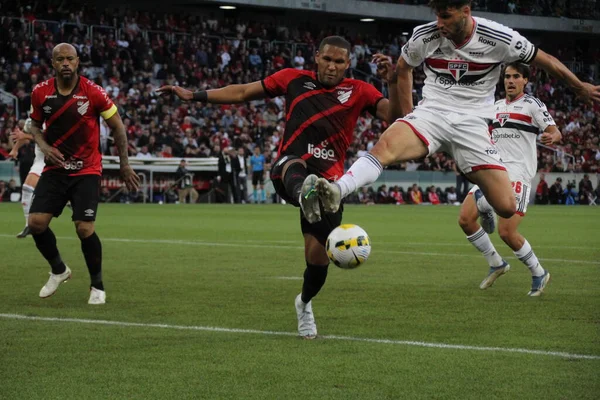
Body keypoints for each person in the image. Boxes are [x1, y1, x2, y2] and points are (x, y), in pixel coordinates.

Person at [157, 35, 391, 339]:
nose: (332, 66)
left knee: (318, 262)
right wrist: (194, 95)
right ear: (317, 57)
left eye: (339, 62)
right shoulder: (293, 79)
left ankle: (304, 303)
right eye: (327, 59)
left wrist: (395, 79)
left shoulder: (360, 91)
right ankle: (303, 192)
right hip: (291, 168)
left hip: (331, 188)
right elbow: (242, 92)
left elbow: (397, 114)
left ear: (348, 64)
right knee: (293, 166)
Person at [315, 0, 600, 231]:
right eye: (438, 16)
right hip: (433, 113)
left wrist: (579, 87)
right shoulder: (424, 36)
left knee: (506, 206)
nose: (440, 23)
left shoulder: (498, 37)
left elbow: (545, 59)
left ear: (466, 11)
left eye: (446, 16)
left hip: (474, 122)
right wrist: (409, 116)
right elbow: (403, 68)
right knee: (384, 147)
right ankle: (337, 190)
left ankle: (483, 201)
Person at [27, 43, 139, 305]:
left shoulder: (94, 92)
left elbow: (118, 127)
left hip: (86, 169)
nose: (65, 63)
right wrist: (44, 146)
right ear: (53, 63)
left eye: (70, 59)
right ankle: (58, 269)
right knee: (35, 224)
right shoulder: (40, 92)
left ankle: (97, 286)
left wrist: (124, 164)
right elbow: (33, 125)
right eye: (60, 59)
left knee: (84, 228)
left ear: (77, 62)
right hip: (55, 169)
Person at [458, 62, 561, 296]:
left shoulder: (532, 104)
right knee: (465, 219)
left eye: (516, 76)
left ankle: (538, 272)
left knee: (506, 232)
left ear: (525, 80)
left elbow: (555, 130)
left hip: (518, 174)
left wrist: (551, 136)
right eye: (507, 76)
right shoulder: (494, 107)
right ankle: (496, 263)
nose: (510, 81)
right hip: (492, 170)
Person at [9, 119, 45, 238]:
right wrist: (15, 149)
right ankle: (28, 225)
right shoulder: (31, 120)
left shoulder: (53, 114)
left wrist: (26, 136)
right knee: (26, 188)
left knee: (62, 193)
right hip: (41, 160)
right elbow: (23, 136)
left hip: (56, 158)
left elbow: (50, 140)